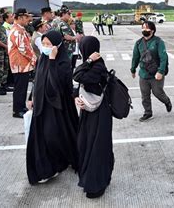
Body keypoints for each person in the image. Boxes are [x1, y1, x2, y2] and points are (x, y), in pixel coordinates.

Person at [26, 30, 78, 185]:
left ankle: (63, 160)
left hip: (57, 106)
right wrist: (32, 97)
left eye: (49, 44)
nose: (45, 47)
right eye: (43, 44)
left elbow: (56, 85)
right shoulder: (42, 58)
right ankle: (48, 168)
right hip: (42, 104)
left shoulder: (63, 62)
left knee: (55, 134)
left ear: (58, 45)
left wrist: (53, 60)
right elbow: (38, 79)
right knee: (44, 137)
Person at [73, 36, 114, 198]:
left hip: (99, 112)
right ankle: (94, 177)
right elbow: (79, 84)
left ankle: (97, 184)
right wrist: (76, 96)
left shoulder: (97, 66)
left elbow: (77, 76)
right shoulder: (93, 65)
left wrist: (88, 61)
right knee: (86, 142)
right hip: (89, 110)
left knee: (97, 146)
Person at [131, 21, 172, 122]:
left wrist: (161, 71)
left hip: (156, 73)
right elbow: (135, 57)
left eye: (147, 28)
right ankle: (148, 113)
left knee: (158, 93)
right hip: (143, 74)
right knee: (145, 95)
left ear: (152, 31)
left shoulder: (158, 42)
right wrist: (133, 69)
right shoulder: (139, 43)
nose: (144, 30)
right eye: (143, 28)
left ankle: (167, 101)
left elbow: (163, 58)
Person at [8, 8, 36, 118]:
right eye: (26, 17)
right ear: (20, 18)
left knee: (22, 88)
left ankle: (21, 107)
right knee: (20, 88)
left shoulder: (20, 29)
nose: (28, 19)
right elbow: (23, 48)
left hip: (23, 64)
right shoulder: (17, 31)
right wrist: (33, 59)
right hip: (20, 64)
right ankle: (17, 110)